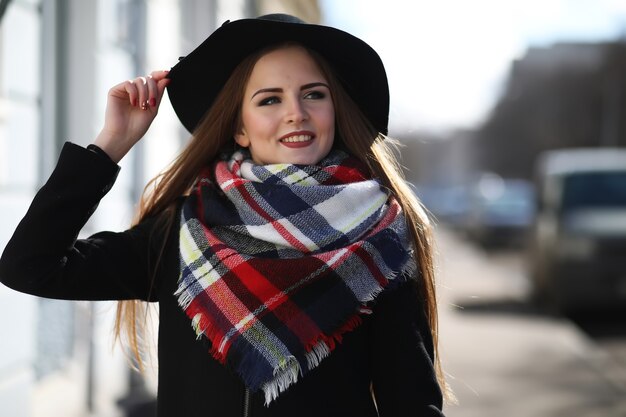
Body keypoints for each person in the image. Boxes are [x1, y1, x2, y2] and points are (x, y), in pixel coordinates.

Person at [0, 13, 448, 416]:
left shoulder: (382, 238)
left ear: (335, 109)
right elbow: (28, 267)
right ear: (239, 127)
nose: (296, 113)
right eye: (269, 100)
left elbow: (412, 402)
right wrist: (110, 145)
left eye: (313, 94)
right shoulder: (184, 229)